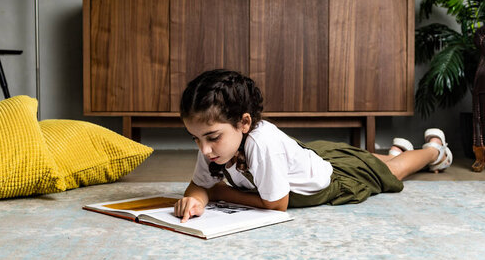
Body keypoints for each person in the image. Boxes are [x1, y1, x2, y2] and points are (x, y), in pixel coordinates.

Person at [174, 69, 453, 222]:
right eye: (195, 139)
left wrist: (221, 192)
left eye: (212, 138)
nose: (204, 150)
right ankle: (397, 149)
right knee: (371, 160)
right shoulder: (212, 147)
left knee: (389, 172)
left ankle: (434, 150)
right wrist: (196, 200)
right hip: (308, 156)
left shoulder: (262, 144)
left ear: (244, 123)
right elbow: (199, 183)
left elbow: (276, 205)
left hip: (331, 179)